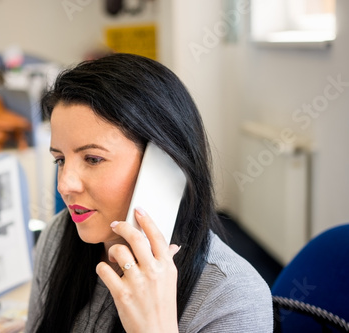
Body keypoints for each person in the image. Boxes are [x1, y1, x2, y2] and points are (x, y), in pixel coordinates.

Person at [26, 53, 273, 332]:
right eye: (60, 160)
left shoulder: (233, 298)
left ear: (164, 164)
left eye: (93, 159)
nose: (64, 185)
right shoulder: (58, 237)